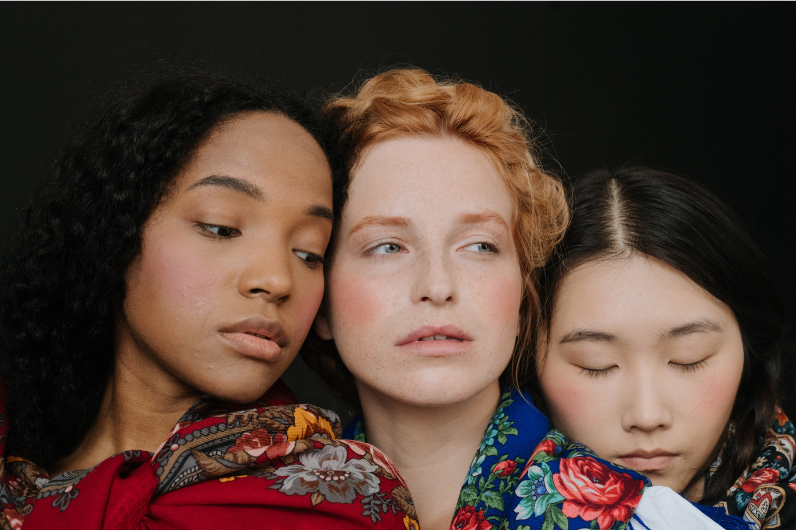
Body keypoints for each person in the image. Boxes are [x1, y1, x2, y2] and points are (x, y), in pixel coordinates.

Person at [0, 69, 416, 529]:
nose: (278, 279)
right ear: (116, 233)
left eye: (308, 253)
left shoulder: (343, 501)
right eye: (221, 228)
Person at [301, 68, 570, 529]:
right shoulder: (262, 511)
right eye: (388, 246)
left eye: (480, 246)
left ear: (524, 298)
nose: (438, 285)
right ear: (320, 298)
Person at [529, 167, 794, 530]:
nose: (647, 415)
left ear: (749, 352)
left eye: (689, 358)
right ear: (528, 358)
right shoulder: (475, 502)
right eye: (597, 365)